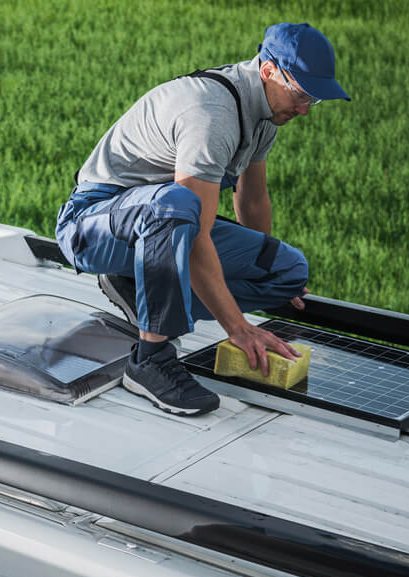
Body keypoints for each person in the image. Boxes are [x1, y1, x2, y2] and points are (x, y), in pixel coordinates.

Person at [55, 22, 350, 416]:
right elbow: (193, 234)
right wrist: (238, 327)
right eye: (300, 95)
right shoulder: (212, 115)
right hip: (92, 224)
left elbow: (253, 196)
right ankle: (151, 360)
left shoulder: (264, 112)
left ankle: (138, 285)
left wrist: (259, 262)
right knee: (176, 206)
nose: (303, 109)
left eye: (312, 100)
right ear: (267, 71)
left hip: (159, 220)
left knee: (287, 271)